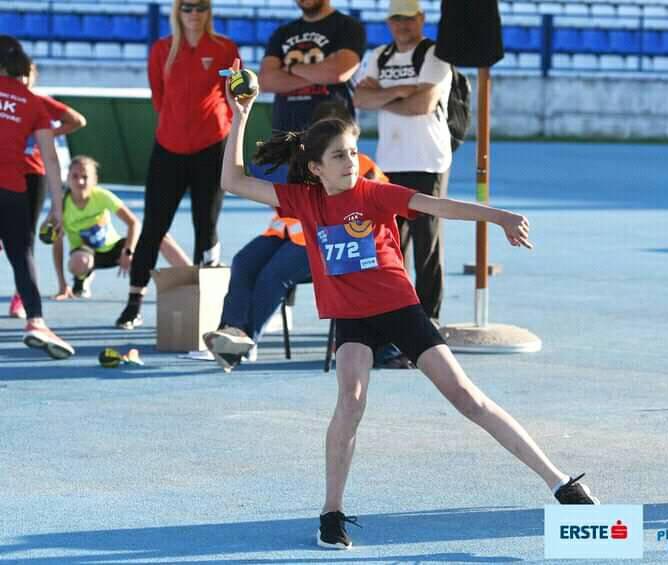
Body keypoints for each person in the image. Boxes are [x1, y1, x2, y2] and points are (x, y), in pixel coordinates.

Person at [220, 61, 599, 550]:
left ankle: (560, 482)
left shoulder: (375, 194)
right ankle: (331, 513)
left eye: (353, 151)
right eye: (338, 156)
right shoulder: (304, 201)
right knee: (350, 402)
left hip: (399, 308)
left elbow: (439, 206)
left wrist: (499, 216)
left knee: (467, 397)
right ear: (316, 168)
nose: (350, 161)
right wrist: (241, 114)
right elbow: (232, 180)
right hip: (352, 318)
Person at [204, 100, 387, 371]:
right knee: (244, 261)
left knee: (273, 275)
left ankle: (244, 343)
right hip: (287, 234)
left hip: (330, 243)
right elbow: (251, 172)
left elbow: (379, 209)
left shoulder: (362, 166)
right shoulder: (303, 162)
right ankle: (231, 331)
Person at [115, 0, 238, 329]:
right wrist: (179, 127)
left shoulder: (225, 48)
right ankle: (134, 302)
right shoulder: (161, 49)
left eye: (200, 7)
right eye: (187, 7)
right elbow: (159, 98)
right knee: (154, 226)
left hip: (211, 148)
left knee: (205, 224)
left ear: (209, 11)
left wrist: (215, 128)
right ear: (177, 11)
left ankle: (206, 307)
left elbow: (234, 95)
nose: (194, 13)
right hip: (168, 149)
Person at [354, 0, 452, 325]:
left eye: (408, 18)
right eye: (396, 18)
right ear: (388, 22)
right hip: (389, 163)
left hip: (428, 161)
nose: (402, 25)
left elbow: (422, 105)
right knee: (390, 244)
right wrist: (404, 91)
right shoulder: (379, 54)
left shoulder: (435, 54)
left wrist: (383, 95)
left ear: (421, 18)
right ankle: (396, 311)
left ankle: (428, 317)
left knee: (426, 245)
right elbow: (360, 99)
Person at [0, 35, 74, 359]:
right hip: (12, 190)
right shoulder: (33, 103)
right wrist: (57, 208)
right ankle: (36, 321)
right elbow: (52, 159)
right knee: (21, 255)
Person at [48, 156, 191, 311]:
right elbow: (57, 244)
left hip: (115, 249)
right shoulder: (61, 206)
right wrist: (62, 285)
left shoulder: (102, 196)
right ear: (68, 178)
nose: (80, 181)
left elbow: (133, 223)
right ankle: (82, 278)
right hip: (85, 253)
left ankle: (193, 278)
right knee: (79, 262)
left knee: (160, 237)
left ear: (95, 180)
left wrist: (128, 250)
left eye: (85, 177)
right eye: (75, 176)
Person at [5, 61, 87, 318]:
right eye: (18, 74)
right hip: (5, 173)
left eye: (27, 75)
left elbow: (78, 120)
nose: (22, 79)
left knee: (24, 240)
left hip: (32, 175)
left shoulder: (38, 102)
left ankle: (22, 297)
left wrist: (48, 134)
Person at [258, 0, 365, 134]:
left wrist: (290, 68)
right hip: (286, 133)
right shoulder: (282, 32)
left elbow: (339, 72)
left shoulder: (348, 26)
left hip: (333, 132)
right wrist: (321, 74)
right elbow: (265, 82)